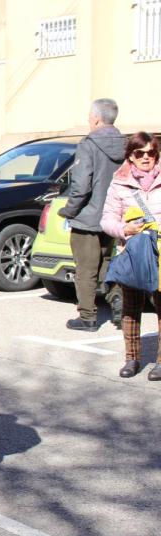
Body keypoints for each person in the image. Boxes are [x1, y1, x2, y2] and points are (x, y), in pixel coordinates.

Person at [57, 98, 126, 331]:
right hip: (113, 215)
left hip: (88, 216)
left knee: (85, 269)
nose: (88, 120)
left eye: (89, 116)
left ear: (96, 119)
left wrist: (69, 210)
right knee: (107, 263)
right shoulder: (124, 143)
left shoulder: (89, 144)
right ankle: (117, 298)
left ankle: (87, 316)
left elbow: (81, 185)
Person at [99, 132, 161, 379]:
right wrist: (125, 229)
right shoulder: (119, 183)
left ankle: (160, 362)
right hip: (133, 251)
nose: (146, 158)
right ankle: (131, 359)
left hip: (160, 252)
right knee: (131, 308)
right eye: (140, 153)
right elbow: (107, 220)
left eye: (151, 153)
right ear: (130, 157)